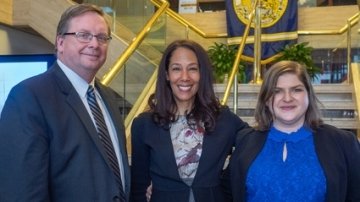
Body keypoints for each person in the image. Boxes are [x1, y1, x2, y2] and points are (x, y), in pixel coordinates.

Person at [0, 4, 130, 201]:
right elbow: (22, 191)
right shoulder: (28, 98)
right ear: (60, 42)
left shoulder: (108, 98)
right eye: (83, 35)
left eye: (102, 37)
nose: (94, 44)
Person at [130, 39, 249, 202]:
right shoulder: (143, 125)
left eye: (192, 69)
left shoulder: (223, 119)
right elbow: (138, 188)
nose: (185, 77)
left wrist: (224, 184)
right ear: (166, 74)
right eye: (176, 69)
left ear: (202, 74)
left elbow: (253, 143)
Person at [224, 60, 360, 201]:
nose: (287, 98)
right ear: (265, 99)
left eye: (297, 90)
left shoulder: (343, 143)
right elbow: (228, 193)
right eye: (277, 91)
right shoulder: (245, 141)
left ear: (308, 94)